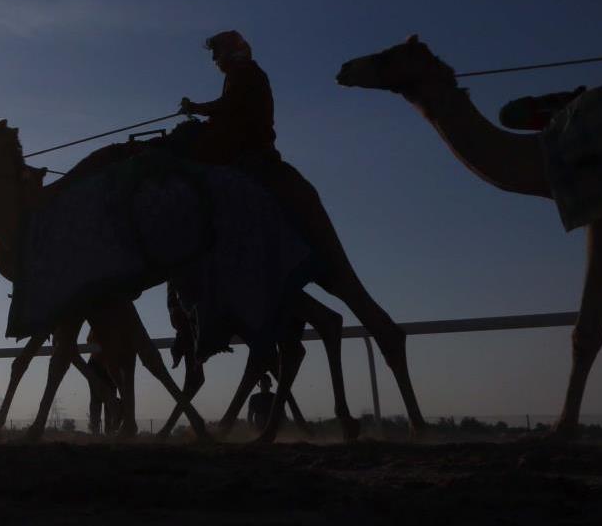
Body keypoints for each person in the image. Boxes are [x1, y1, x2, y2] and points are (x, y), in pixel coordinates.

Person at [181, 30, 430, 433]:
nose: (215, 62)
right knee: (354, 295)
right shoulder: (246, 75)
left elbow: (229, 111)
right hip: (263, 165)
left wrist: (197, 108)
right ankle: (415, 423)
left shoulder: (244, 74)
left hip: (253, 167)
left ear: (229, 53)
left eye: (216, 54)